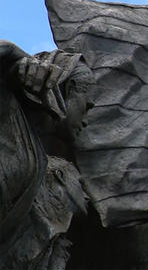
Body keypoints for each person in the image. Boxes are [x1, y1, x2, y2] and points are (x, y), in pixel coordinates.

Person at [0, 40, 93, 269]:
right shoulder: (10, 116)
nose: (90, 107)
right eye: (86, 100)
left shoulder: (44, 164)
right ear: (64, 90)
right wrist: (11, 54)